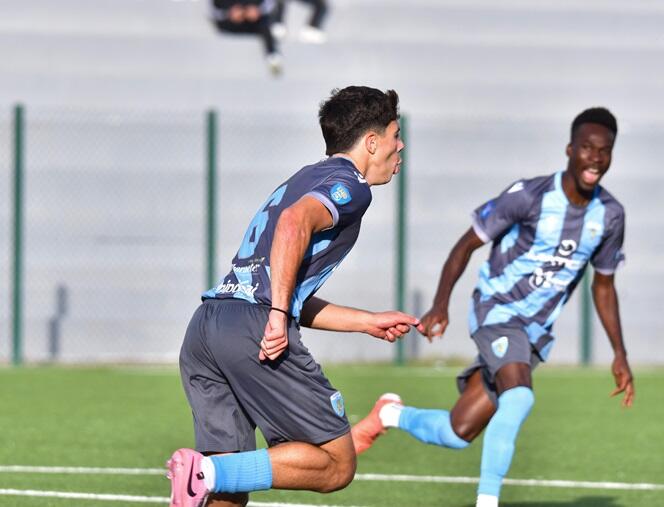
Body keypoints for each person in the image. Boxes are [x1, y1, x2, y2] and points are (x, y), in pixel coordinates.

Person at [352, 107, 635, 507]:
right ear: (570, 149)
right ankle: (488, 502)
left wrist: (619, 352)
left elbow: (603, 286)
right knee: (518, 397)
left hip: (534, 333)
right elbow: (466, 244)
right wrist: (440, 303)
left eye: (605, 151)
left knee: (458, 431)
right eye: (587, 148)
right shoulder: (529, 196)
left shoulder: (610, 216)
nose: (596, 158)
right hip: (497, 311)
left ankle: (389, 415)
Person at [167, 86, 422, 507]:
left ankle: (207, 474)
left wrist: (366, 321)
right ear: (372, 142)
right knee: (336, 463)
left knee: (229, 491)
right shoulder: (352, 186)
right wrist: (276, 315)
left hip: (211, 325)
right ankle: (206, 471)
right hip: (253, 329)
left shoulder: (304, 177)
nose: (401, 146)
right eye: (396, 135)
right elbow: (293, 224)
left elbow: (279, 282)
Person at [211, 0, 283, 75]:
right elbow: (213, 11)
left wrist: (258, 11)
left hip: (255, 21)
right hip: (228, 22)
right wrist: (228, 13)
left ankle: (272, 56)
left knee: (265, 26)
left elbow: (270, 5)